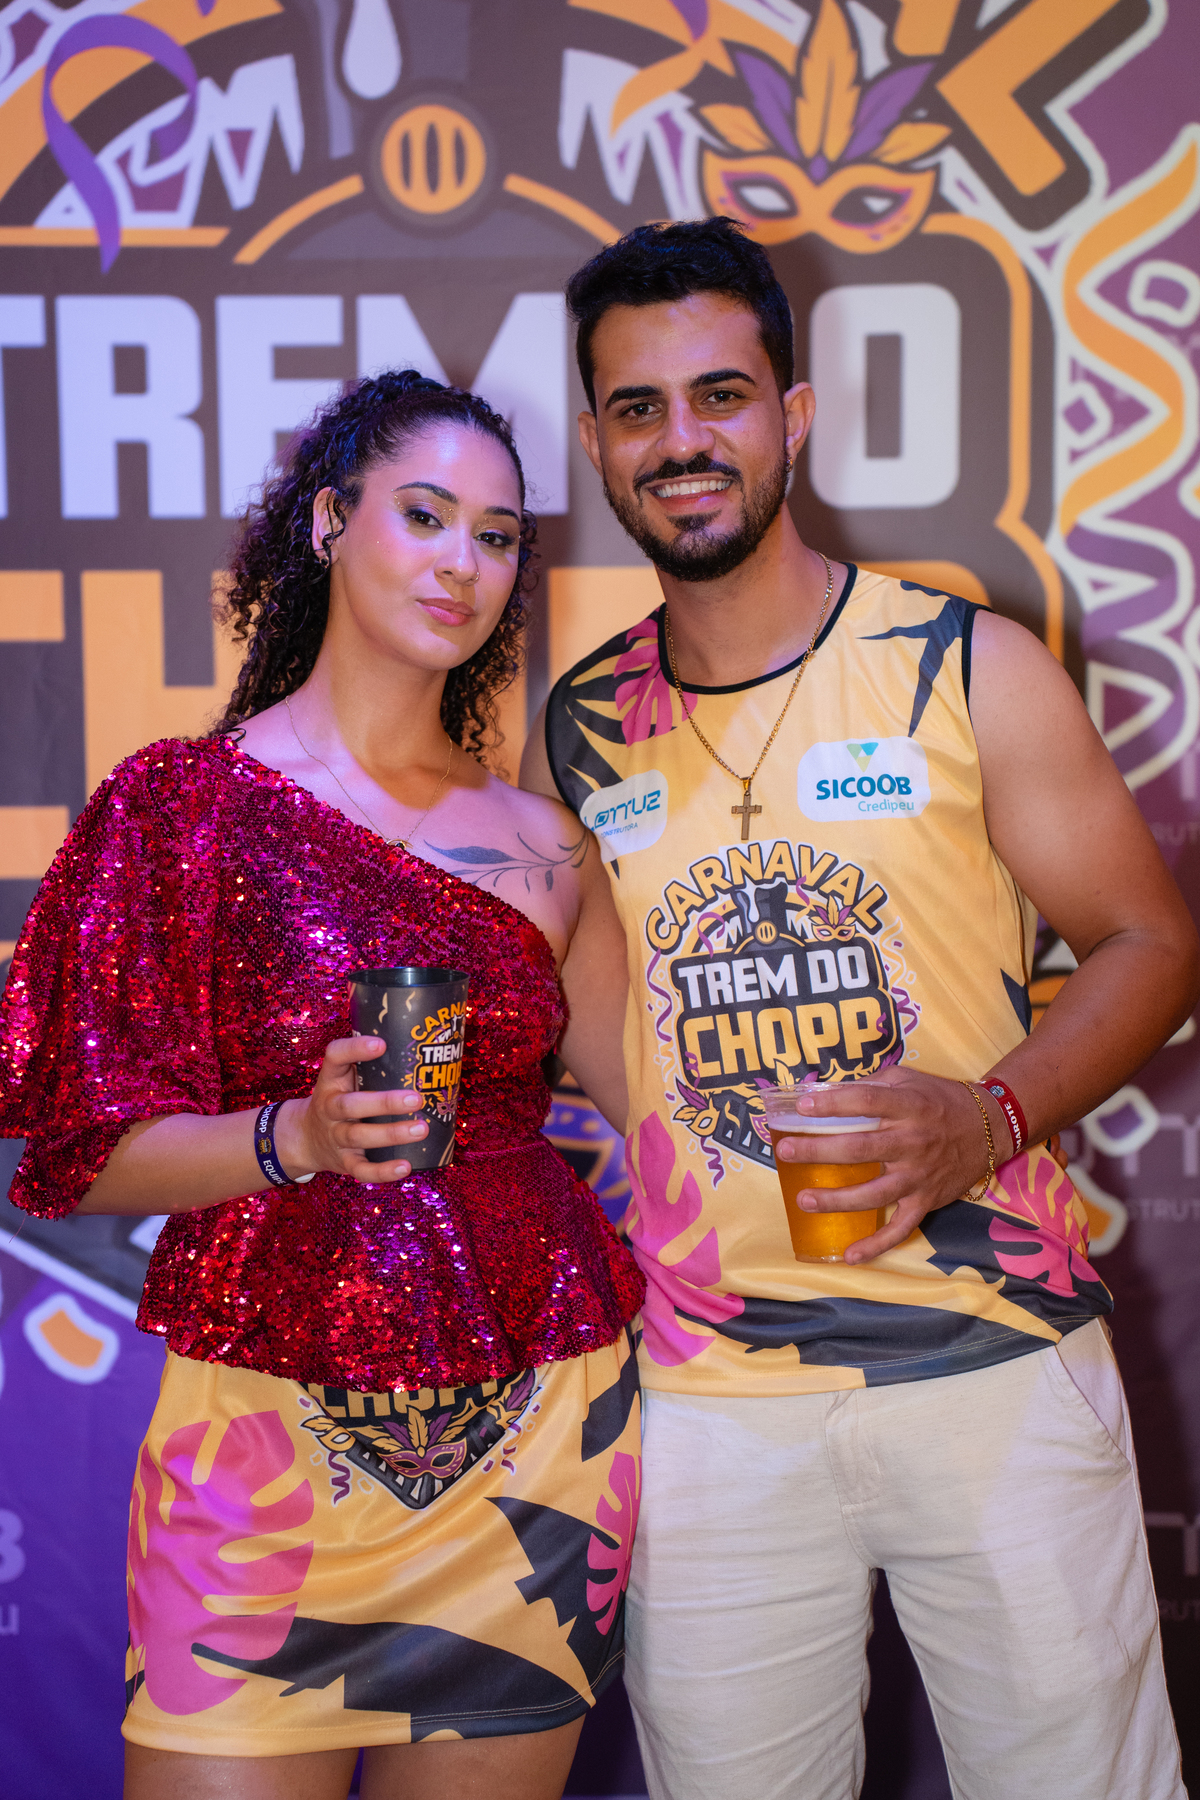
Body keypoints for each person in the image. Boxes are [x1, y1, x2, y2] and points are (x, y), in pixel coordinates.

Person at [520, 218, 1196, 1800]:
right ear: (598, 445)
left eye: (721, 396)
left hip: (991, 1355)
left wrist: (990, 1117)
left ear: (794, 416)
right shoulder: (587, 723)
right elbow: (615, 1038)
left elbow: (1153, 945)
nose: (683, 440)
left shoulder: (967, 664)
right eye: (637, 409)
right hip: (714, 1394)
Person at [0, 371, 645, 1800]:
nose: (462, 562)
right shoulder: (179, 806)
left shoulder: (550, 844)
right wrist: (291, 1135)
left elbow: (667, 1121)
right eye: (425, 515)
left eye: (497, 536)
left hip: (529, 1449)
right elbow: (75, 1152)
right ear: (329, 520)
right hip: (257, 1461)